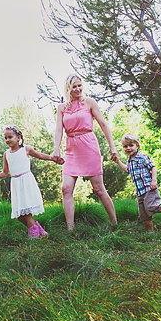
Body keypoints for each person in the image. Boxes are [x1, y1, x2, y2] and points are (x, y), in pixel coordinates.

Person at [51, 73, 119, 230]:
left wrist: (112, 146)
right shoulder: (62, 108)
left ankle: (115, 224)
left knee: (99, 189)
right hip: (71, 148)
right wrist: (56, 149)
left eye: (79, 85)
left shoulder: (89, 103)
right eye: (74, 86)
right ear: (68, 88)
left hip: (88, 146)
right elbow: (58, 131)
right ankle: (71, 229)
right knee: (65, 188)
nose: (77, 89)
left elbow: (103, 124)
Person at [0, 125, 60, 238]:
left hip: (26, 182)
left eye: (10, 137)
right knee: (20, 216)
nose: (7, 140)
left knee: (27, 214)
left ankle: (34, 237)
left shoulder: (26, 149)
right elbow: (5, 173)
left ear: (18, 137)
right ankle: (38, 229)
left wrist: (52, 158)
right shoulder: (6, 154)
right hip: (16, 184)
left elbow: (40, 155)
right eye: (5, 138)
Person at [112, 132, 161, 233]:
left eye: (131, 145)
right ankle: (150, 232)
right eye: (125, 146)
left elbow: (153, 168)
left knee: (152, 207)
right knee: (144, 214)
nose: (128, 148)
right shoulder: (129, 161)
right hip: (139, 191)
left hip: (149, 188)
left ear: (137, 146)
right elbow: (127, 170)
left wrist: (154, 181)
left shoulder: (142, 157)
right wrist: (118, 161)